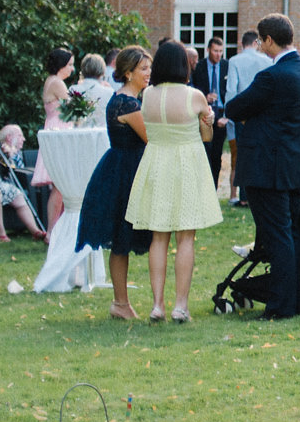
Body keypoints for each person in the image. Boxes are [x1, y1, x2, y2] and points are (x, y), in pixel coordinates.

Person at [223, 14, 300, 318]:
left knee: (277, 237)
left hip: (268, 167)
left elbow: (234, 107)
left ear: (268, 40)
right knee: (291, 235)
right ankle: (298, 300)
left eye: (262, 41)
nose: (261, 47)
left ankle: (280, 306)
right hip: (294, 164)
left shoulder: (272, 77)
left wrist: (253, 118)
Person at [126, 39, 222, 322]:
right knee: (186, 237)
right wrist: (209, 120)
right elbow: (206, 138)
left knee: (158, 236)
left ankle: (158, 305)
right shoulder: (195, 96)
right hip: (186, 165)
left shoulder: (148, 95)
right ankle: (180, 305)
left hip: (157, 164)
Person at [77, 48, 153, 318]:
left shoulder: (125, 99)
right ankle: (121, 303)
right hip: (127, 173)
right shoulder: (128, 104)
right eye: (143, 69)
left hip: (122, 168)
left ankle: (121, 302)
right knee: (122, 237)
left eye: (149, 68)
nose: (148, 73)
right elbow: (151, 138)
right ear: (129, 72)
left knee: (123, 238)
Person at [0, 125, 46, 244]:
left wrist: (5, 157)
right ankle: (1, 234)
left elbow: (3, 169)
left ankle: (35, 231)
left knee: (16, 193)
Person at [224, 29, 271, 208]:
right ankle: (259, 196)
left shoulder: (235, 61)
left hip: (242, 114)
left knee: (243, 155)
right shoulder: (267, 61)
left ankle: (244, 196)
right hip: (262, 113)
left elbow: (231, 90)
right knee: (261, 154)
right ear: (255, 43)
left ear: (242, 44)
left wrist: (229, 114)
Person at [31, 47, 76, 227]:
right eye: (70, 65)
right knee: (60, 185)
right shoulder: (57, 82)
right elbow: (72, 108)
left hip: (56, 127)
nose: (72, 69)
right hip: (58, 130)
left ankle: (58, 227)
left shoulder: (52, 80)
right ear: (61, 65)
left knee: (60, 186)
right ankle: (52, 229)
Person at [195, 40, 230, 186]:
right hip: (205, 113)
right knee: (205, 151)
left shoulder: (226, 66)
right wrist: (205, 96)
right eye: (215, 51)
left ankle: (213, 187)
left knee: (217, 154)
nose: (218, 54)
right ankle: (203, 184)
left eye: (220, 51)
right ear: (208, 49)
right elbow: (194, 88)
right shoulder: (200, 66)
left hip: (221, 113)